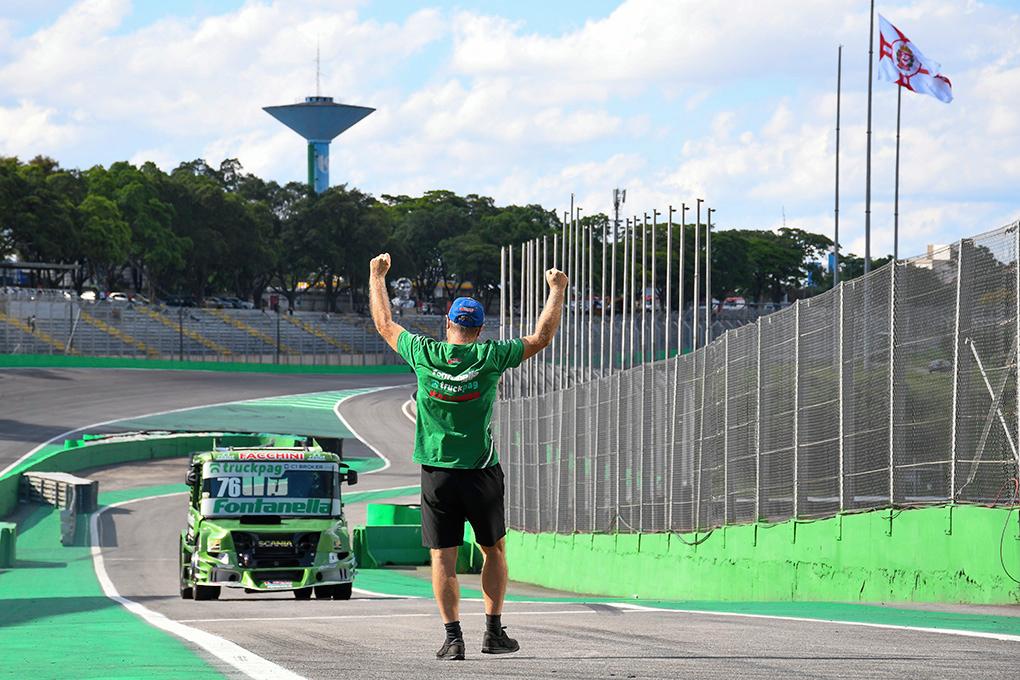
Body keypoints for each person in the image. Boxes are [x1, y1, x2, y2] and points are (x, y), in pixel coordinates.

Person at [368, 252, 567, 661]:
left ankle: (453, 638)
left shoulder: (424, 352)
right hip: (481, 471)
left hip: (437, 474)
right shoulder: (490, 356)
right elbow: (541, 338)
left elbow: (385, 324)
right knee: (494, 551)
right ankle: (493, 633)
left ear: (448, 324)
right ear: (479, 329)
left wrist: (377, 276)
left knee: (443, 558)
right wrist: (556, 291)